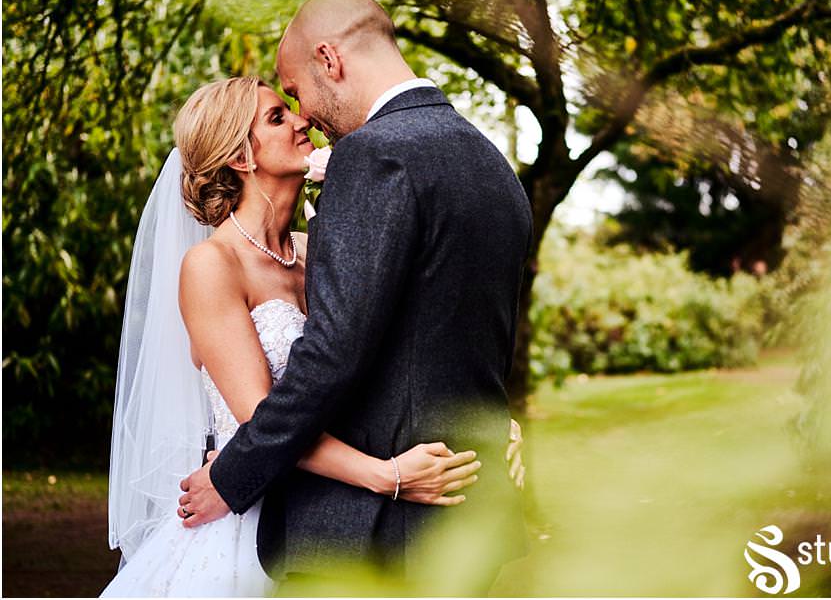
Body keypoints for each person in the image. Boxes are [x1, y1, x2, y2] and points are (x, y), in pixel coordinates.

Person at [102, 76, 525, 596]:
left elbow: (395, 350)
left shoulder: (319, 244)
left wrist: (490, 416)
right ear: (240, 156)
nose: (303, 121)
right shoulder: (211, 266)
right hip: (252, 517)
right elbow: (263, 417)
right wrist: (388, 476)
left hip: (332, 515)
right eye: (278, 117)